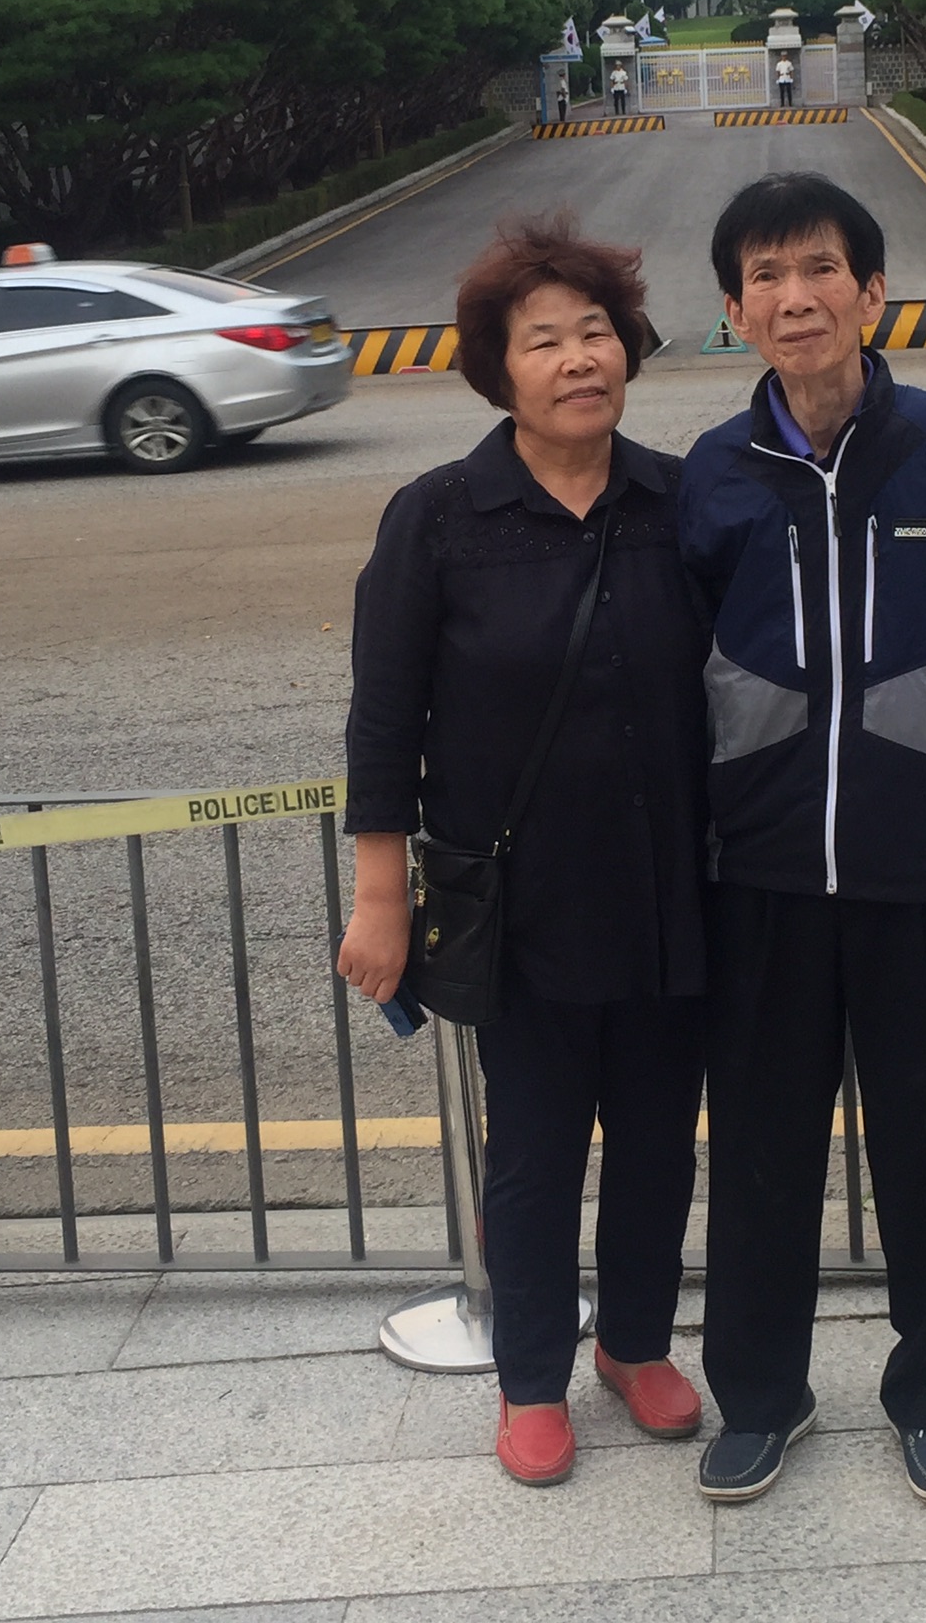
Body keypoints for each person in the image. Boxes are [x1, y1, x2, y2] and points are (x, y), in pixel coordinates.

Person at [679, 172, 926, 1508]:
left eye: (821, 270)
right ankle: (761, 1396)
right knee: (762, 1154)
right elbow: (676, 681)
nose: (797, 297)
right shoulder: (716, 476)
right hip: (761, 878)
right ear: (736, 310)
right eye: (768, 277)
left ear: (872, 291)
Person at [339, 217, 709, 1488]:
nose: (578, 359)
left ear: (629, 350)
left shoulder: (681, 501)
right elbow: (385, 718)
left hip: (673, 892)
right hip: (525, 905)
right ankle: (533, 1375)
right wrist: (380, 893)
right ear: (499, 371)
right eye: (543, 340)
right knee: (537, 1151)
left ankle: (639, 1343)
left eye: (596, 332)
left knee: (659, 1139)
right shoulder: (439, 517)